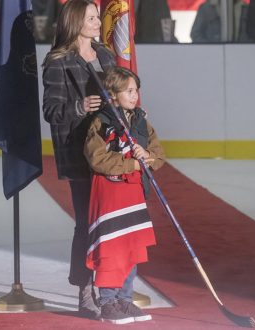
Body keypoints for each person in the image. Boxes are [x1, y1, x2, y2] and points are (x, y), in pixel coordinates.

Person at [42, 0, 116, 319]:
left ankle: (112, 291)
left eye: (98, 16)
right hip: (79, 153)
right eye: (91, 17)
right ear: (74, 22)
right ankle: (86, 293)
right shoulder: (58, 61)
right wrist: (80, 107)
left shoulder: (105, 55)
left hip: (110, 150)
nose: (98, 22)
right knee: (87, 223)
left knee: (110, 222)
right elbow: (51, 111)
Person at [84, 66, 165, 324]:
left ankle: (125, 300)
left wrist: (147, 156)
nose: (135, 95)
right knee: (112, 247)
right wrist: (130, 163)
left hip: (133, 193)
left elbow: (159, 156)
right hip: (111, 194)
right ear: (113, 94)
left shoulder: (141, 121)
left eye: (136, 90)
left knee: (131, 246)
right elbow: (96, 157)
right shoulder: (102, 121)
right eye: (129, 91)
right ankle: (107, 301)